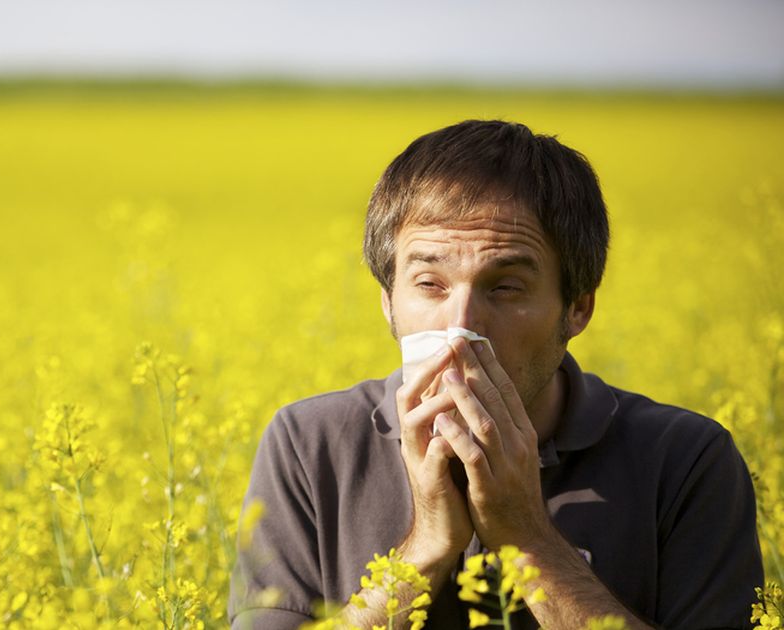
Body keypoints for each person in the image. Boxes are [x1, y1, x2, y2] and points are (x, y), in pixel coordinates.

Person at [227, 119, 763, 629]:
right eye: (430, 285)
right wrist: (425, 549)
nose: (460, 329)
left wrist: (528, 537)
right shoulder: (309, 444)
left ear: (577, 307)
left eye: (505, 287)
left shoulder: (687, 461)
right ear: (388, 302)